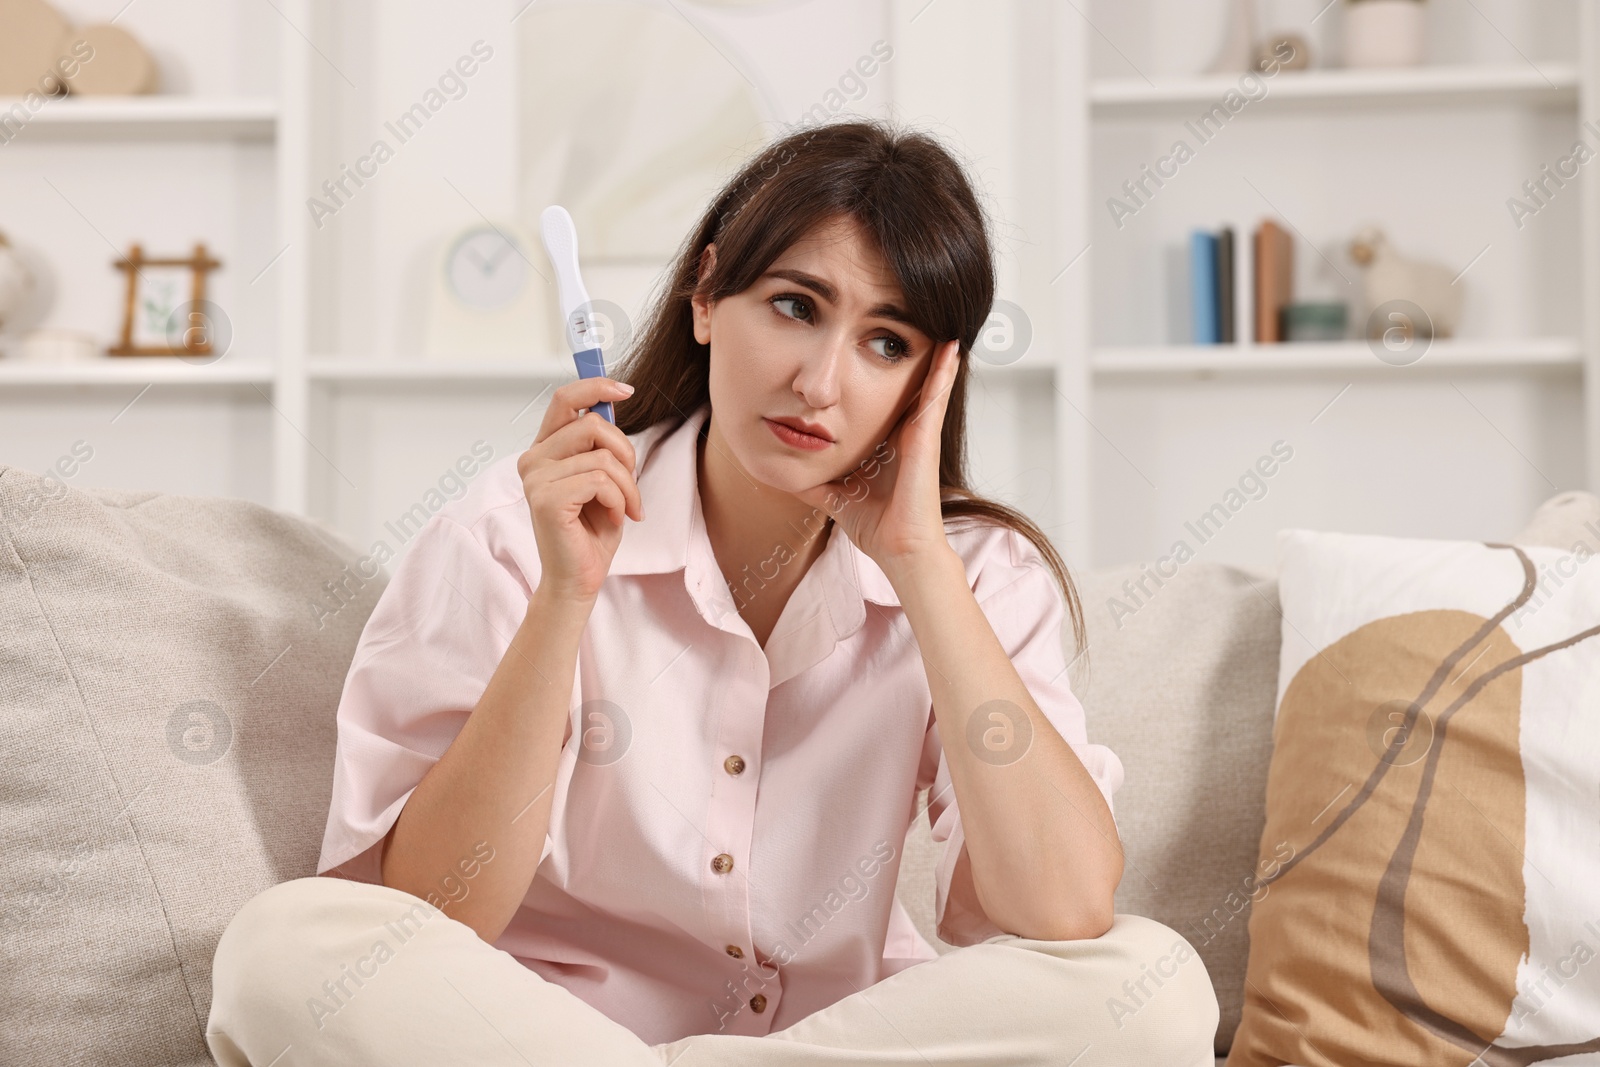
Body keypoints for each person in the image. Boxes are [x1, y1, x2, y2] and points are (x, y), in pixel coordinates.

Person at [206, 119, 1219, 1066]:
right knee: (285, 947)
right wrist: (566, 597)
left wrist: (918, 564)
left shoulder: (977, 576)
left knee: (1156, 988)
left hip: (831, 1035)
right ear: (704, 295)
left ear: (930, 380)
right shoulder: (512, 530)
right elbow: (432, 905)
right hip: (533, 1032)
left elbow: (1065, 904)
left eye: (885, 342)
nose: (821, 381)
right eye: (795, 306)